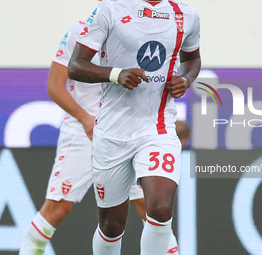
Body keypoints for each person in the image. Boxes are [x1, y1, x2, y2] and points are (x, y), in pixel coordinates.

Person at [19, 2, 181, 254]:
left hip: (129, 131)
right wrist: (85, 118)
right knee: (57, 208)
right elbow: (54, 85)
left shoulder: (142, 29)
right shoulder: (79, 30)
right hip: (83, 131)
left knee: (151, 208)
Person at [68, 0, 201, 254]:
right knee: (111, 225)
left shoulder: (186, 14)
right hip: (112, 131)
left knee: (161, 208)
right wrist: (115, 74)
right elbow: (75, 66)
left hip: (157, 127)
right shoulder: (111, 9)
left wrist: (185, 79)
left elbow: (192, 59)